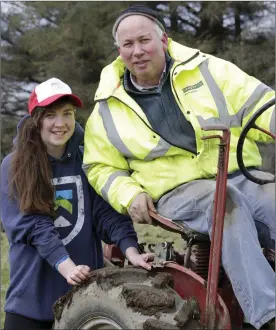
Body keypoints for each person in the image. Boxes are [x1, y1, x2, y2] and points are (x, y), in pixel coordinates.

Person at [82, 5, 275, 330]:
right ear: (119, 51)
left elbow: (258, 102)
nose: (137, 50)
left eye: (144, 40)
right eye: (128, 45)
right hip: (177, 191)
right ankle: (268, 316)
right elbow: (100, 166)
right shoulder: (107, 108)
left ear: (164, 40)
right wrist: (130, 194)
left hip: (239, 172)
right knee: (225, 204)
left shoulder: (209, 70)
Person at [0, 77, 154, 330]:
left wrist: (131, 250)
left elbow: (107, 214)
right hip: (31, 304)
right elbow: (33, 226)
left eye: (67, 114)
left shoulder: (88, 160)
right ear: (35, 120)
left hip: (84, 305)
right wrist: (67, 266)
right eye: (50, 115)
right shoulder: (13, 166)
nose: (60, 123)